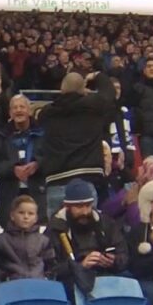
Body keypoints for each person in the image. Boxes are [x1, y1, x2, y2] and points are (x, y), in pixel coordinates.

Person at [38, 71, 116, 217]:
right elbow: (109, 91)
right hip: (85, 181)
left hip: (55, 181)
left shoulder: (47, 112)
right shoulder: (93, 106)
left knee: (56, 235)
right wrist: (96, 75)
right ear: (83, 90)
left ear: (61, 89)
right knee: (85, 235)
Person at [46, 179, 128, 304]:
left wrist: (113, 261)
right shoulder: (55, 229)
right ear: (67, 206)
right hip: (71, 284)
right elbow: (51, 270)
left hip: (106, 277)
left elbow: (124, 254)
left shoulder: (106, 223)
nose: (85, 211)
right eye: (79, 207)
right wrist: (81, 266)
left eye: (88, 206)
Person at [0, 94, 45, 224]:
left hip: (37, 192)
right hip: (8, 194)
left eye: (22, 107)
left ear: (29, 110)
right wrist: (13, 169)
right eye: (15, 108)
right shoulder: (0, 136)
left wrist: (38, 165)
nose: (18, 110)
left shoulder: (43, 134)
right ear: (10, 112)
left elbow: (53, 159)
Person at [0, 195, 54, 285]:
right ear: (12, 215)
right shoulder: (0, 241)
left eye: (30, 213)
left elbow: (50, 265)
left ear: (36, 218)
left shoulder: (43, 241)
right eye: (21, 213)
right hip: (10, 287)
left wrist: (47, 278)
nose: (26, 217)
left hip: (39, 286)